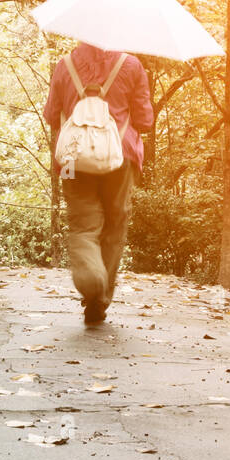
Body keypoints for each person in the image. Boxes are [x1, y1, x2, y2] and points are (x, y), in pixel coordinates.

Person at [43, 42, 156, 325]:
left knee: (82, 223)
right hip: (120, 158)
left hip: (70, 162)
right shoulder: (131, 66)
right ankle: (100, 296)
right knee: (115, 222)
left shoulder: (63, 65)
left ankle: (91, 282)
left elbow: (50, 115)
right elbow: (144, 120)